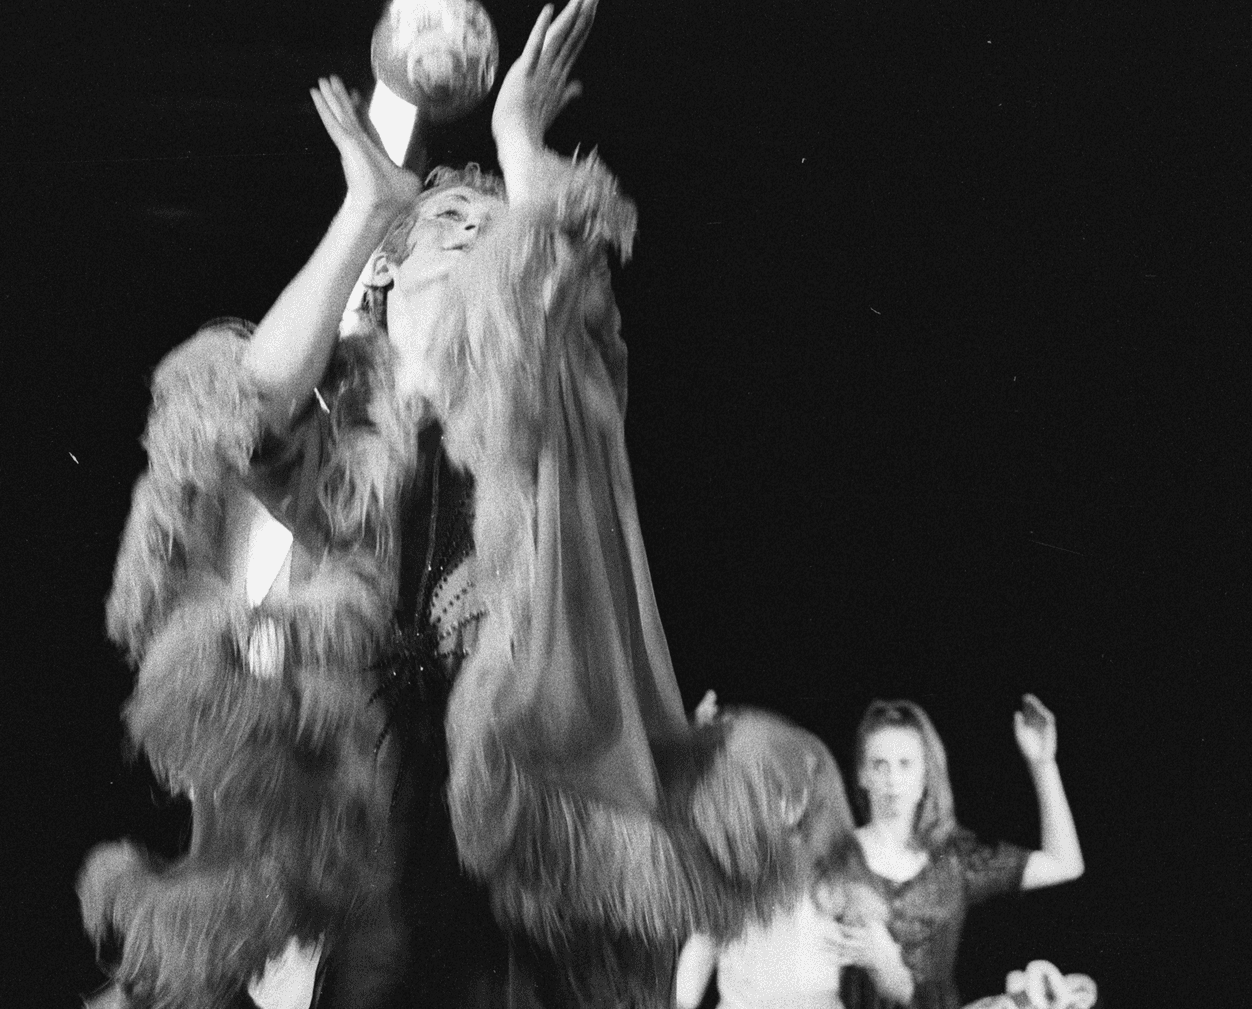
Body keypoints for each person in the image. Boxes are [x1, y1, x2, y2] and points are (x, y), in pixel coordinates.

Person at [78, 3, 810, 1006]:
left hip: (522, 805)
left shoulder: (548, 403)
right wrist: (367, 211)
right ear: (387, 277)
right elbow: (247, 406)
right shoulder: (350, 445)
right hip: (383, 806)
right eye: (451, 226)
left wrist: (517, 141)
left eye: (487, 231)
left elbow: (553, 274)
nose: (477, 239)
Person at [842, 696, 1085, 1009]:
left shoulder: (956, 858)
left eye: (905, 764)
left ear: (926, 774)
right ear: (862, 774)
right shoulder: (836, 857)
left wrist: (1043, 764)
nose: (892, 780)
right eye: (880, 764)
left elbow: (1064, 864)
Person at [673, 703, 914, 1009]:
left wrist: (882, 962)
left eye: (792, 788)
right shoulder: (732, 868)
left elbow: (899, 986)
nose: (780, 798)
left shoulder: (835, 870)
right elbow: (700, 950)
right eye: (770, 785)